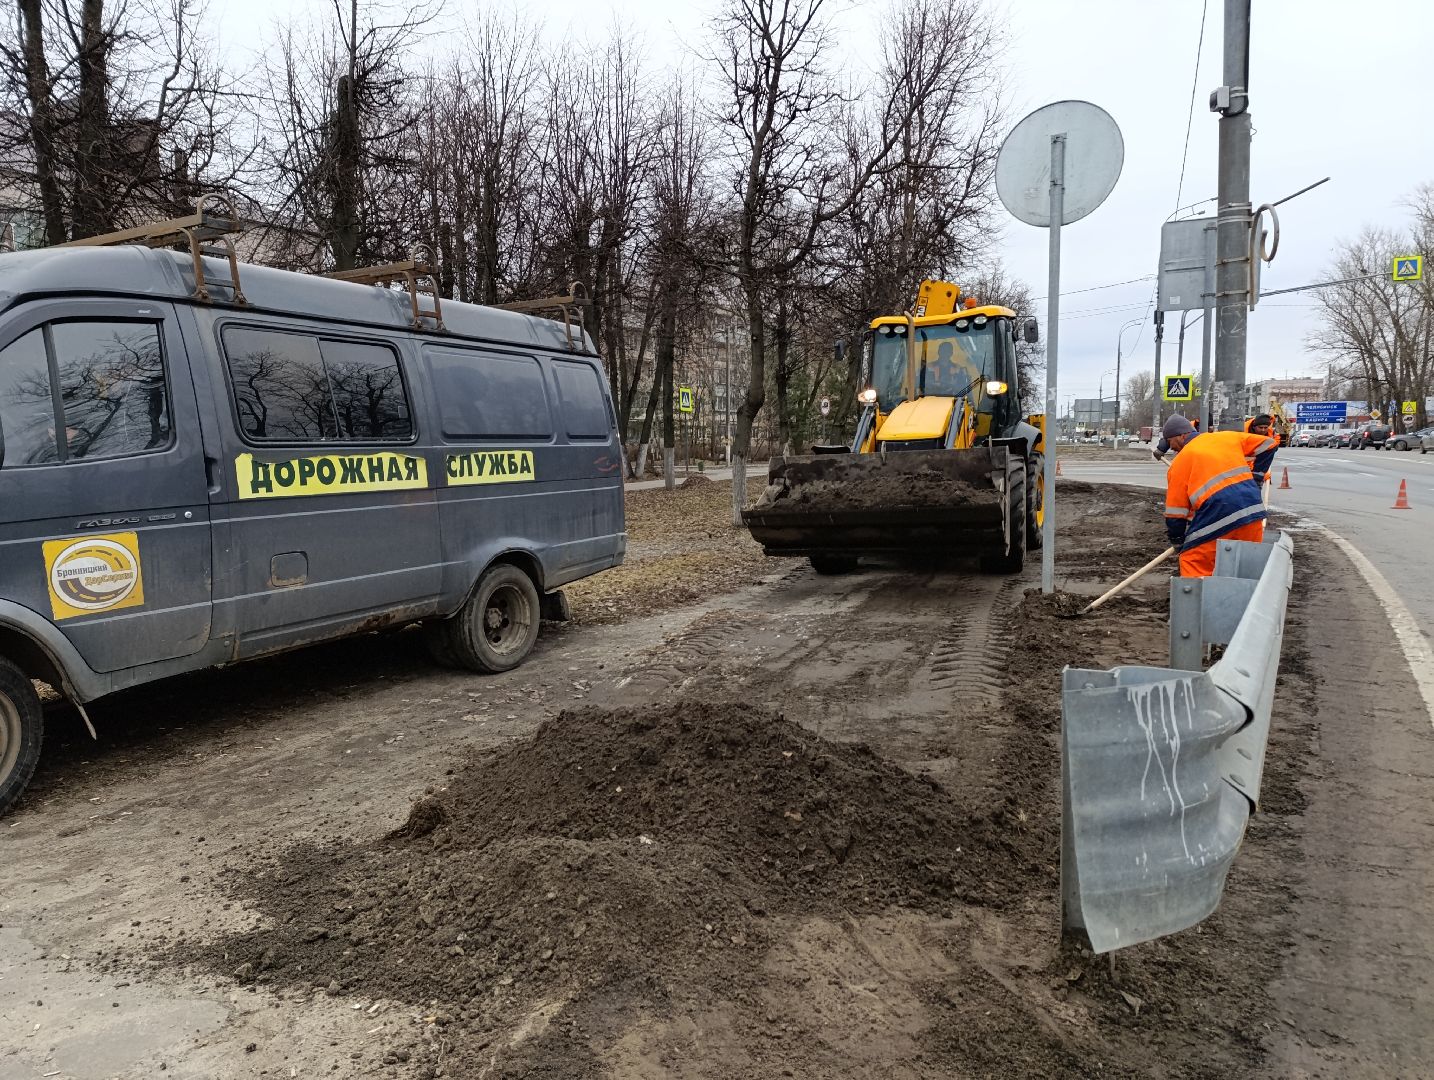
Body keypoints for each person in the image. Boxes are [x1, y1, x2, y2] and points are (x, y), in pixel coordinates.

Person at [1161, 414, 1279, 578]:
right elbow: (1270, 444)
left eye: (1170, 441)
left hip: (1219, 512)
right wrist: (1256, 477)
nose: (1170, 447)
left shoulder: (1180, 462)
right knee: (1244, 563)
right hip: (1252, 510)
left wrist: (1178, 541)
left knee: (1193, 561)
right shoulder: (1226, 438)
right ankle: (1246, 599)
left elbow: (1175, 512)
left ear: (1181, 436)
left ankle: (1197, 600)